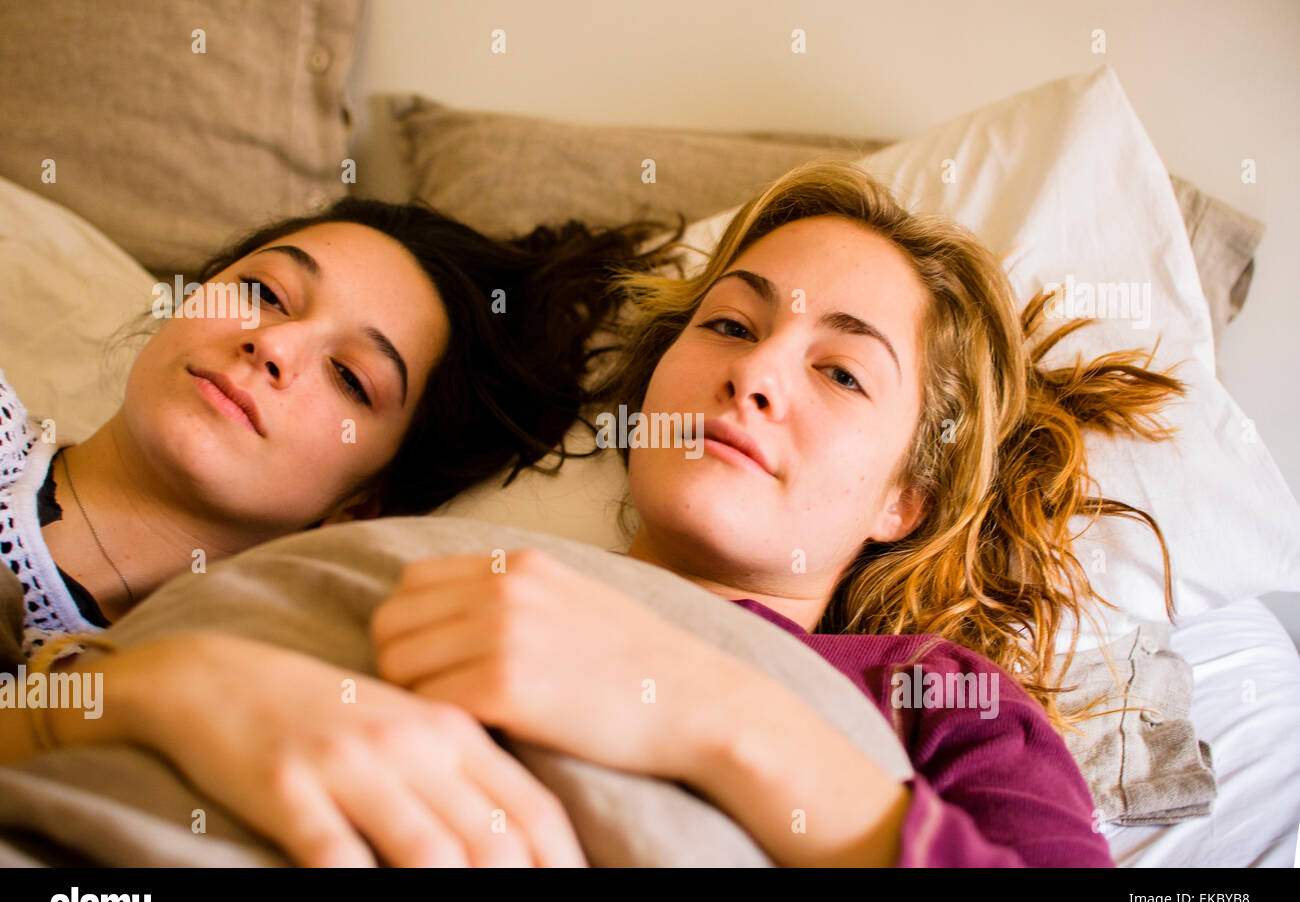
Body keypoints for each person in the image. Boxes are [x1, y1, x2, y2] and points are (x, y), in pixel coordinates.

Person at [366, 160, 1186, 866]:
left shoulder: (937, 699)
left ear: (905, 499)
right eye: (728, 324)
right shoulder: (462, 567)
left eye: (841, 372)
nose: (754, 368)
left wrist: (712, 708)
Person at [0, 196, 677, 867]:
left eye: (350, 376)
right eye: (264, 292)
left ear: (360, 503)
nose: (273, 343)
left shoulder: (275, 704)